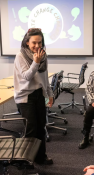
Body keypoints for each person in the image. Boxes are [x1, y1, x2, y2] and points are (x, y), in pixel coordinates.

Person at [14, 28, 54, 164]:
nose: (37, 46)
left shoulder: (43, 55)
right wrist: (36, 62)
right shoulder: (20, 56)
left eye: (40, 43)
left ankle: (40, 157)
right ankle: (25, 160)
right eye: (34, 43)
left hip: (39, 94)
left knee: (41, 127)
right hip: (25, 97)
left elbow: (44, 77)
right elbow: (27, 77)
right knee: (31, 129)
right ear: (27, 42)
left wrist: (50, 93)